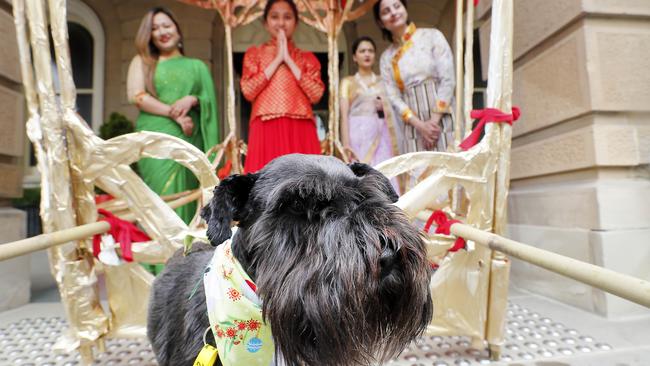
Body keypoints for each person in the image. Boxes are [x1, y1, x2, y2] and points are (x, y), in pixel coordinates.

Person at [126, 7, 219, 225]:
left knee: (187, 195)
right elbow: (136, 96)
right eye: (155, 28)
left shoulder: (197, 66)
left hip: (188, 139)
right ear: (148, 35)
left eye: (166, 26)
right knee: (159, 195)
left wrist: (193, 100)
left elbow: (210, 103)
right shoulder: (143, 62)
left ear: (177, 29)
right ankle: (159, 256)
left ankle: (184, 252)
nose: (162, 32)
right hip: (155, 139)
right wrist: (173, 114)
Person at [241, 0, 325, 173]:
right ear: (265, 23)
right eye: (274, 17)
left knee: (305, 185)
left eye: (287, 17)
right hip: (265, 126)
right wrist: (278, 59)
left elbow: (316, 94)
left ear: (296, 22)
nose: (281, 23)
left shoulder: (307, 58)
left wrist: (288, 59)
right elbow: (248, 91)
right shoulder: (254, 54)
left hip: (301, 126)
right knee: (265, 185)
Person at [374, 0, 455, 153]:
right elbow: (393, 96)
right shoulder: (386, 58)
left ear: (405, 8)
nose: (393, 12)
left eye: (397, 6)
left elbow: (448, 79)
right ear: (380, 23)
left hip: (442, 117)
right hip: (412, 125)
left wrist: (433, 122)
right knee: (419, 174)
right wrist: (420, 126)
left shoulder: (432, 36)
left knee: (448, 170)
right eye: (386, 11)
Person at [340, 36, 399, 167]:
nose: (367, 54)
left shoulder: (383, 82)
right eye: (362, 51)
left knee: (382, 169)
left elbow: (389, 114)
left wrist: (382, 108)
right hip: (356, 133)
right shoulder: (348, 82)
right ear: (354, 57)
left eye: (370, 51)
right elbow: (344, 116)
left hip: (380, 134)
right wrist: (346, 145)